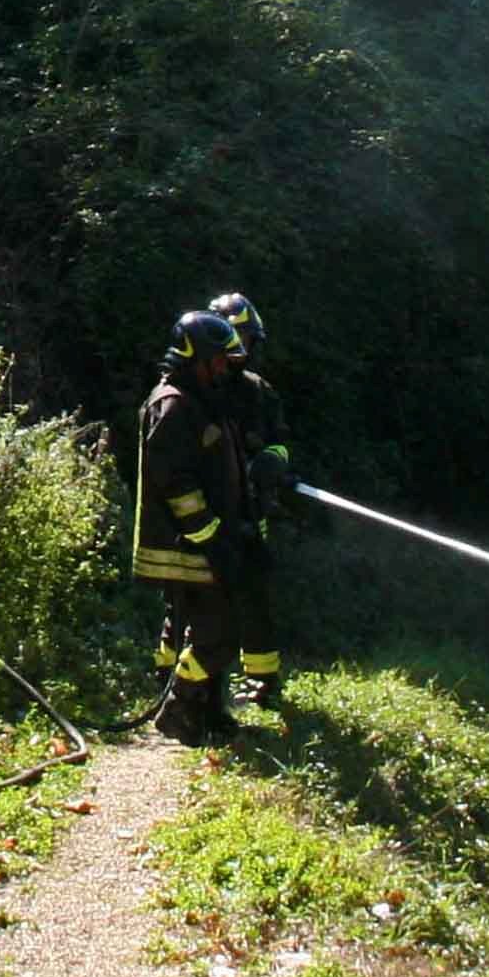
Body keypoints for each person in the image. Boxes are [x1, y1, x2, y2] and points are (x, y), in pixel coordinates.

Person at [134, 308, 276, 742]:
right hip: (184, 547)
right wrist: (210, 536)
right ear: (192, 356)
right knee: (218, 634)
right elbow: (174, 483)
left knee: (213, 629)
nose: (223, 370)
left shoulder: (202, 401)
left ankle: (208, 712)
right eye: (216, 361)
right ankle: (178, 708)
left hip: (205, 541)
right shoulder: (173, 405)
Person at [203, 290, 293, 714]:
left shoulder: (259, 391)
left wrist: (272, 462)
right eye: (237, 339)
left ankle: (262, 682)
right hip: (204, 511)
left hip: (249, 510)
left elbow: (280, 441)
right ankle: (192, 683)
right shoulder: (197, 391)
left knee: (254, 593)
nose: (242, 349)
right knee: (198, 597)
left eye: (248, 340)